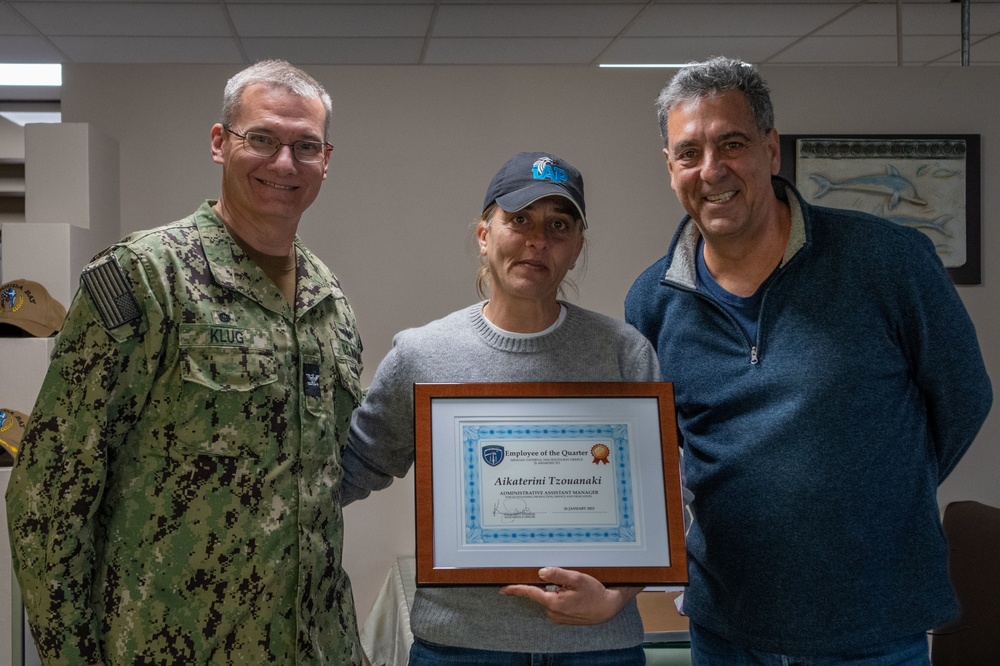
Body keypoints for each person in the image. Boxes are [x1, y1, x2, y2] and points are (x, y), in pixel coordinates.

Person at [625, 56, 993, 665]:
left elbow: (963, 397)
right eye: (689, 153)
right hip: (728, 630)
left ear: (771, 150)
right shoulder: (653, 299)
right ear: (670, 168)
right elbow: (661, 448)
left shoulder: (889, 262)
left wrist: (875, 499)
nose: (711, 170)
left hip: (873, 629)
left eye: (732, 144)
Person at [6, 60, 365, 665]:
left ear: (325, 160)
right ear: (220, 144)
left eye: (304, 145)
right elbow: (49, 494)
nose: (284, 163)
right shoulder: (145, 280)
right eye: (262, 139)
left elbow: (320, 488)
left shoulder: (330, 303)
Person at [341, 151, 660, 665]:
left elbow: (657, 504)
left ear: (577, 247)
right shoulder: (424, 353)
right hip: (462, 646)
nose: (538, 240)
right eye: (519, 220)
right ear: (484, 234)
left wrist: (616, 595)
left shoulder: (622, 353)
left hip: (597, 647)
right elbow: (354, 467)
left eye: (559, 224)